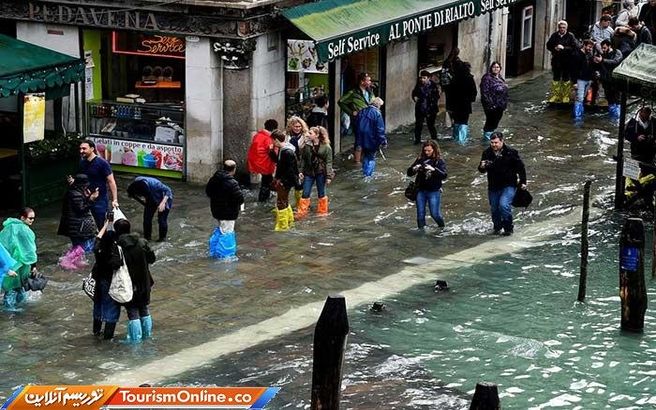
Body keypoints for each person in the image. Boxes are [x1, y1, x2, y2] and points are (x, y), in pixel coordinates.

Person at [114, 218, 156, 343]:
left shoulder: (118, 247)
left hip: (128, 284)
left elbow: (114, 264)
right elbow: (152, 259)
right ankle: (147, 336)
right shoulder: (142, 242)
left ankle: (135, 341)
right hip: (145, 280)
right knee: (144, 308)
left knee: (132, 311)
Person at [478, 132, 527, 236]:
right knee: (494, 209)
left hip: (509, 184)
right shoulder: (487, 153)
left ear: (502, 141)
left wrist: (523, 182)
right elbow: (482, 169)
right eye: (492, 143)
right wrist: (482, 167)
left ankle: (508, 228)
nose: (494, 145)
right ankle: (497, 228)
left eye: (496, 143)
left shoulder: (511, 152)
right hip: (493, 185)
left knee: (504, 205)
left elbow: (521, 167)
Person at [0, 208, 38, 311]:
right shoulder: (26, 231)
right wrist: (34, 266)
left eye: (33, 218)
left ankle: (9, 310)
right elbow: (30, 251)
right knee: (21, 286)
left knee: (10, 288)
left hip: (9, 263)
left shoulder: (8, 227)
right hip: (22, 264)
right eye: (30, 218)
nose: (32, 221)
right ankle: (18, 310)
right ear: (22, 217)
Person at [91, 215, 122, 340]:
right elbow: (117, 264)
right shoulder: (114, 252)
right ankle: (108, 337)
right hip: (110, 282)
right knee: (111, 309)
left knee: (98, 305)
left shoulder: (98, 249)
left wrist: (106, 224)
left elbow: (98, 238)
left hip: (99, 281)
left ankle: (96, 331)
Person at [75, 140, 119, 228]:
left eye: (84, 149)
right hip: (85, 198)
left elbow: (111, 181)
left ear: (92, 149)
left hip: (100, 199)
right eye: (80, 149)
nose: (81, 151)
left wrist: (115, 199)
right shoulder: (82, 163)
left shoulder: (102, 163)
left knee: (100, 223)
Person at [205, 160, 244, 257]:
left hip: (216, 211)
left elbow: (208, 192)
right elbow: (240, 198)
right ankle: (225, 256)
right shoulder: (232, 183)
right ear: (234, 169)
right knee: (227, 233)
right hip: (228, 213)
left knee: (221, 230)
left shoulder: (214, 179)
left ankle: (214, 252)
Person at [407, 140, 448, 229]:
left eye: (429, 150)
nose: (427, 152)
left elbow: (444, 175)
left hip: (433, 191)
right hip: (420, 190)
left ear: (434, 149)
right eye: (425, 150)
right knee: (420, 216)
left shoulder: (439, 161)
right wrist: (414, 168)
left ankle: (442, 227)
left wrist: (433, 170)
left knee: (435, 214)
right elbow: (409, 173)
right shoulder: (420, 159)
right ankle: (421, 234)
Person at [297, 126, 334, 218]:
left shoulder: (326, 147)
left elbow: (329, 162)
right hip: (309, 172)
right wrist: (300, 171)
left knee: (321, 193)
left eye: (310, 133)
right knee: (305, 192)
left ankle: (322, 212)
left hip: (321, 172)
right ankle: (302, 212)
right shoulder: (307, 146)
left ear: (317, 135)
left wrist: (329, 176)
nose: (308, 134)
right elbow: (303, 159)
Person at [338, 72, 374, 164]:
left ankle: (366, 159)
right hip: (359, 119)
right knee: (359, 139)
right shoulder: (353, 92)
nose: (370, 82)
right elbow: (341, 102)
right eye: (368, 80)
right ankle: (357, 162)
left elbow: (373, 101)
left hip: (369, 118)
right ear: (362, 82)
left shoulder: (370, 91)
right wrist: (351, 112)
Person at [57, 174, 99, 252]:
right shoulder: (75, 194)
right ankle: (68, 261)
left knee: (78, 248)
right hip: (78, 228)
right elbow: (81, 209)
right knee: (82, 249)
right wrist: (91, 199)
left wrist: (87, 197)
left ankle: (71, 261)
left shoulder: (75, 192)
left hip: (75, 227)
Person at [127, 176, 173, 242]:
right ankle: (147, 238)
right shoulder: (137, 182)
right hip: (151, 197)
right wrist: (145, 204)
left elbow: (168, 190)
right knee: (147, 219)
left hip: (164, 198)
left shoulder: (155, 184)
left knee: (162, 219)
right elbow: (133, 196)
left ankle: (162, 239)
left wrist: (162, 203)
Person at [270, 130, 300, 231]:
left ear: (276, 140)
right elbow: (281, 164)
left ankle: (283, 226)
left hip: (285, 181)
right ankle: (289, 222)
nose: (272, 143)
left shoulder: (286, 152)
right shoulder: (284, 149)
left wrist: (282, 180)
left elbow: (289, 169)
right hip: (285, 180)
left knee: (281, 202)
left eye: (273, 140)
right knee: (284, 201)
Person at [546, 20, 579, 103]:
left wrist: (564, 48)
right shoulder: (554, 35)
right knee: (556, 78)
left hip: (567, 61)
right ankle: (555, 95)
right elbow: (548, 45)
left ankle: (565, 96)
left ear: (566, 28)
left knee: (566, 78)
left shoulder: (570, 36)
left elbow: (575, 47)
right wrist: (554, 48)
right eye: (560, 28)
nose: (562, 29)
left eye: (564, 28)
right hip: (556, 60)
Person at [247, 119, 278, 202]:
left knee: (267, 180)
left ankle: (267, 196)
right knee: (266, 182)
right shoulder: (268, 138)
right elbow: (271, 152)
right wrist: (277, 161)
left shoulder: (257, 135)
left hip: (256, 161)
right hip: (265, 163)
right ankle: (263, 199)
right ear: (274, 129)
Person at [356, 97, 387, 177]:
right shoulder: (377, 113)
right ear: (378, 105)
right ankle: (368, 175)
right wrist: (383, 141)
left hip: (361, 139)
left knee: (366, 156)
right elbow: (380, 129)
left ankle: (365, 172)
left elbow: (356, 125)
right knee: (371, 157)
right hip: (371, 139)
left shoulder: (362, 111)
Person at [594, 39, 623, 119]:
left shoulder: (617, 52)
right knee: (609, 99)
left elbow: (615, 62)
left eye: (604, 48)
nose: (603, 50)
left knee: (617, 99)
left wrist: (602, 60)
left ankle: (618, 117)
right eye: (602, 48)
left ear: (609, 46)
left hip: (615, 80)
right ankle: (612, 116)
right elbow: (599, 66)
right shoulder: (602, 54)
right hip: (606, 81)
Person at [450, 61, 477, 144]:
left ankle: (455, 137)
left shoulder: (454, 78)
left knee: (457, 121)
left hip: (455, 104)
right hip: (465, 104)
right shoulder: (469, 78)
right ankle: (462, 140)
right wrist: (471, 99)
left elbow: (450, 92)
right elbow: (474, 91)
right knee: (464, 121)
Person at [480, 62, 509, 139]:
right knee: (490, 122)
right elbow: (484, 92)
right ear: (491, 68)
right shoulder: (487, 78)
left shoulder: (500, 77)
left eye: (497, 67)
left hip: (500, 105)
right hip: (491, 105)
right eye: (494, 67)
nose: (496, 69)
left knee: (495, 122)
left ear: (500, 69)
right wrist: (490, 104)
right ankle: (487, 138)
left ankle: (492, 137)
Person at [286, 116, 309, 206]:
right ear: (291, 126)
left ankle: (300, 204)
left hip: (301, 163)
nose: (298, 128)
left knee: (299, 185)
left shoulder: (306, 136)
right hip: (289, 164)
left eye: (299, 126)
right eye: (296, 126)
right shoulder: (286, 136)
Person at [625, 106, 656, 174]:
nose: (646, 118)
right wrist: (636, 137)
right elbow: (627, 135)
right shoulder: (633, 122)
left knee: (649, 171)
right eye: (644, 115)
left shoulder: (653, 122)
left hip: (650, 152)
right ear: (640, 113)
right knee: (633, 173)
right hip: (636, 152)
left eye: (647, 115)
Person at [412, 70, 440, 144]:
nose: (422, 80)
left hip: (431, 109)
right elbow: (414, 92)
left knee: (431, 125)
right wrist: (414, 97)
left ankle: (434, 140)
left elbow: (436, 97)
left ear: (428, 78)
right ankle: (417, 140)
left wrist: (431, 105)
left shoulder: (433, 86)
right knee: (418, 125)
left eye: (424, 78)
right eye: (421, 78)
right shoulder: (418, 85)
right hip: (420, 108)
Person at [571, 39, 597, 120]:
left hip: (588, 79)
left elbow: (591, 67)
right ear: (584, 45)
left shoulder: (590, 55)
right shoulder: (576, 55)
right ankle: (577, 117)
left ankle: (580, 114)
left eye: (591, 47)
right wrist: (574, 82)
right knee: (580, 98)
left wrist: (592, 78)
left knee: (583, 97)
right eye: (589, 47)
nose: (590, 49)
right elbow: (573, 69)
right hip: (580, 79)